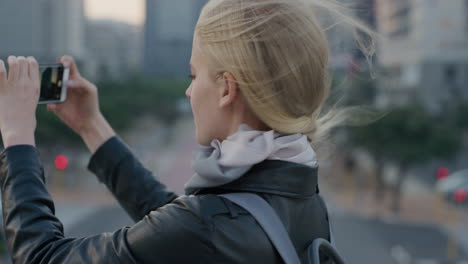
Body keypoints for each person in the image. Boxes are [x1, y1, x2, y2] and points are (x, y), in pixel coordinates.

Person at [0, 0, 373, 263]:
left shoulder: (207, 228)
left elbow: (42, 256)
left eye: (194, 75)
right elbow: (174, 222)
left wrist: (17, 135)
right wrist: (91, 125)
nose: (189, 91)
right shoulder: (303, 196)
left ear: (227, 88)